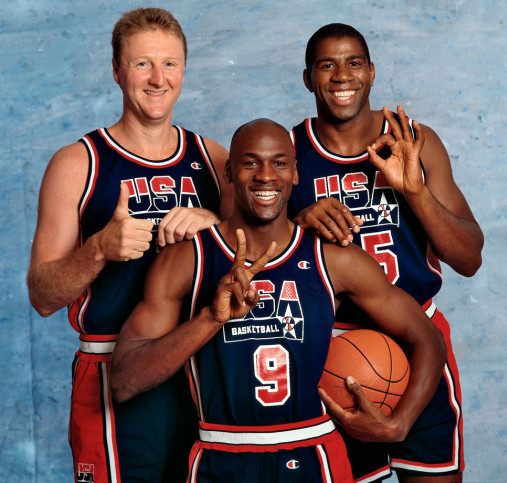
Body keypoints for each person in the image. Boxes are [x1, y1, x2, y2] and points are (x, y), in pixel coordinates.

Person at [109, 118, 446, 483]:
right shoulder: (186, 261)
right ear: (228, 172)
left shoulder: (334, 260)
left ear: (296, 173)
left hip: (314, 456)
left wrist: (401, 423)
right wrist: (209, 318)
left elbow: (427, 337)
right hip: (219, 457)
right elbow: (125, 381)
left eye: (279, 163)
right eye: (250, 162)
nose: (266, 175)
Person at [26, 7, 232, 483]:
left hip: (202, 364)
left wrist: (212, 222)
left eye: (170, 63)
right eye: (142, 64)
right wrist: (98, 248)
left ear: (185, 70)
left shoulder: (214, 158)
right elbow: (41, 295)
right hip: (110, 371)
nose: (158, 78)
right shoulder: (77, 163)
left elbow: (259, 253)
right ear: (117, 70)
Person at [287, 23, 484, 483]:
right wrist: (296, 225)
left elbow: (470, 259)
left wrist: (415, 193)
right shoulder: (287, 157)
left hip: (420, 344)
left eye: (354, 62)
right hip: (336, 352)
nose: (342, 76)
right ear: (307, 78)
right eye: (327, 65)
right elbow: (256, 265)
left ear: (371, 72)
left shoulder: (415, 141)